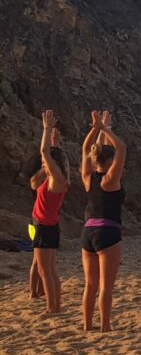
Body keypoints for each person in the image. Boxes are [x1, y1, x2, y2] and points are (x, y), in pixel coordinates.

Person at [80, 110, 127, 332]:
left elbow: (86, 150)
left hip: (87, 232)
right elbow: (121, 148)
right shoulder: (110, 180)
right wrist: (105, 129)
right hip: (107, 233)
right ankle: (105, 326)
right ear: (109, 163)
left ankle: (87, 325)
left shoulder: (88, 178)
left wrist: (98, 129)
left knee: (90, 285)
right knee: (106, 286)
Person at [28, 110, 69, 314]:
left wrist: (46, 129)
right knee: (49, 270)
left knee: (46, 272)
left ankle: (52, 308)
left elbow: (44, 152)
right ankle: (54, 305)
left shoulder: (57, 180)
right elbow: (34, 182)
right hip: (46, 225)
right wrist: (54, 141)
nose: (44, 163)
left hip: (45, 227)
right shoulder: (56, 177)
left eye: (47, 163)